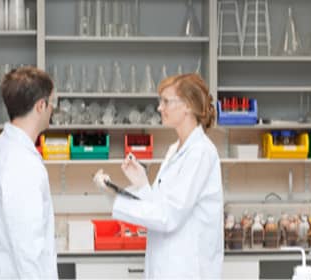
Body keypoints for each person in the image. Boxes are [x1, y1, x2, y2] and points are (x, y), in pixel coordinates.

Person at [94, 73, 224, 279]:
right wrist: (142, 183)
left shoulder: (201, 153)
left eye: (166, 101)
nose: (159, 108)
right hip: (167, 267)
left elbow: (169, 216)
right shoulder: (175, 149)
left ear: (188, 106)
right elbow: (161, 205)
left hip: (188, 270)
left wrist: (116, 201)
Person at [0, 66, 58, 279]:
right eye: (52, 103)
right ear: (41, 106)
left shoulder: (1, 150)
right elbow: (28, 248)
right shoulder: (21, 162)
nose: (53, 110)